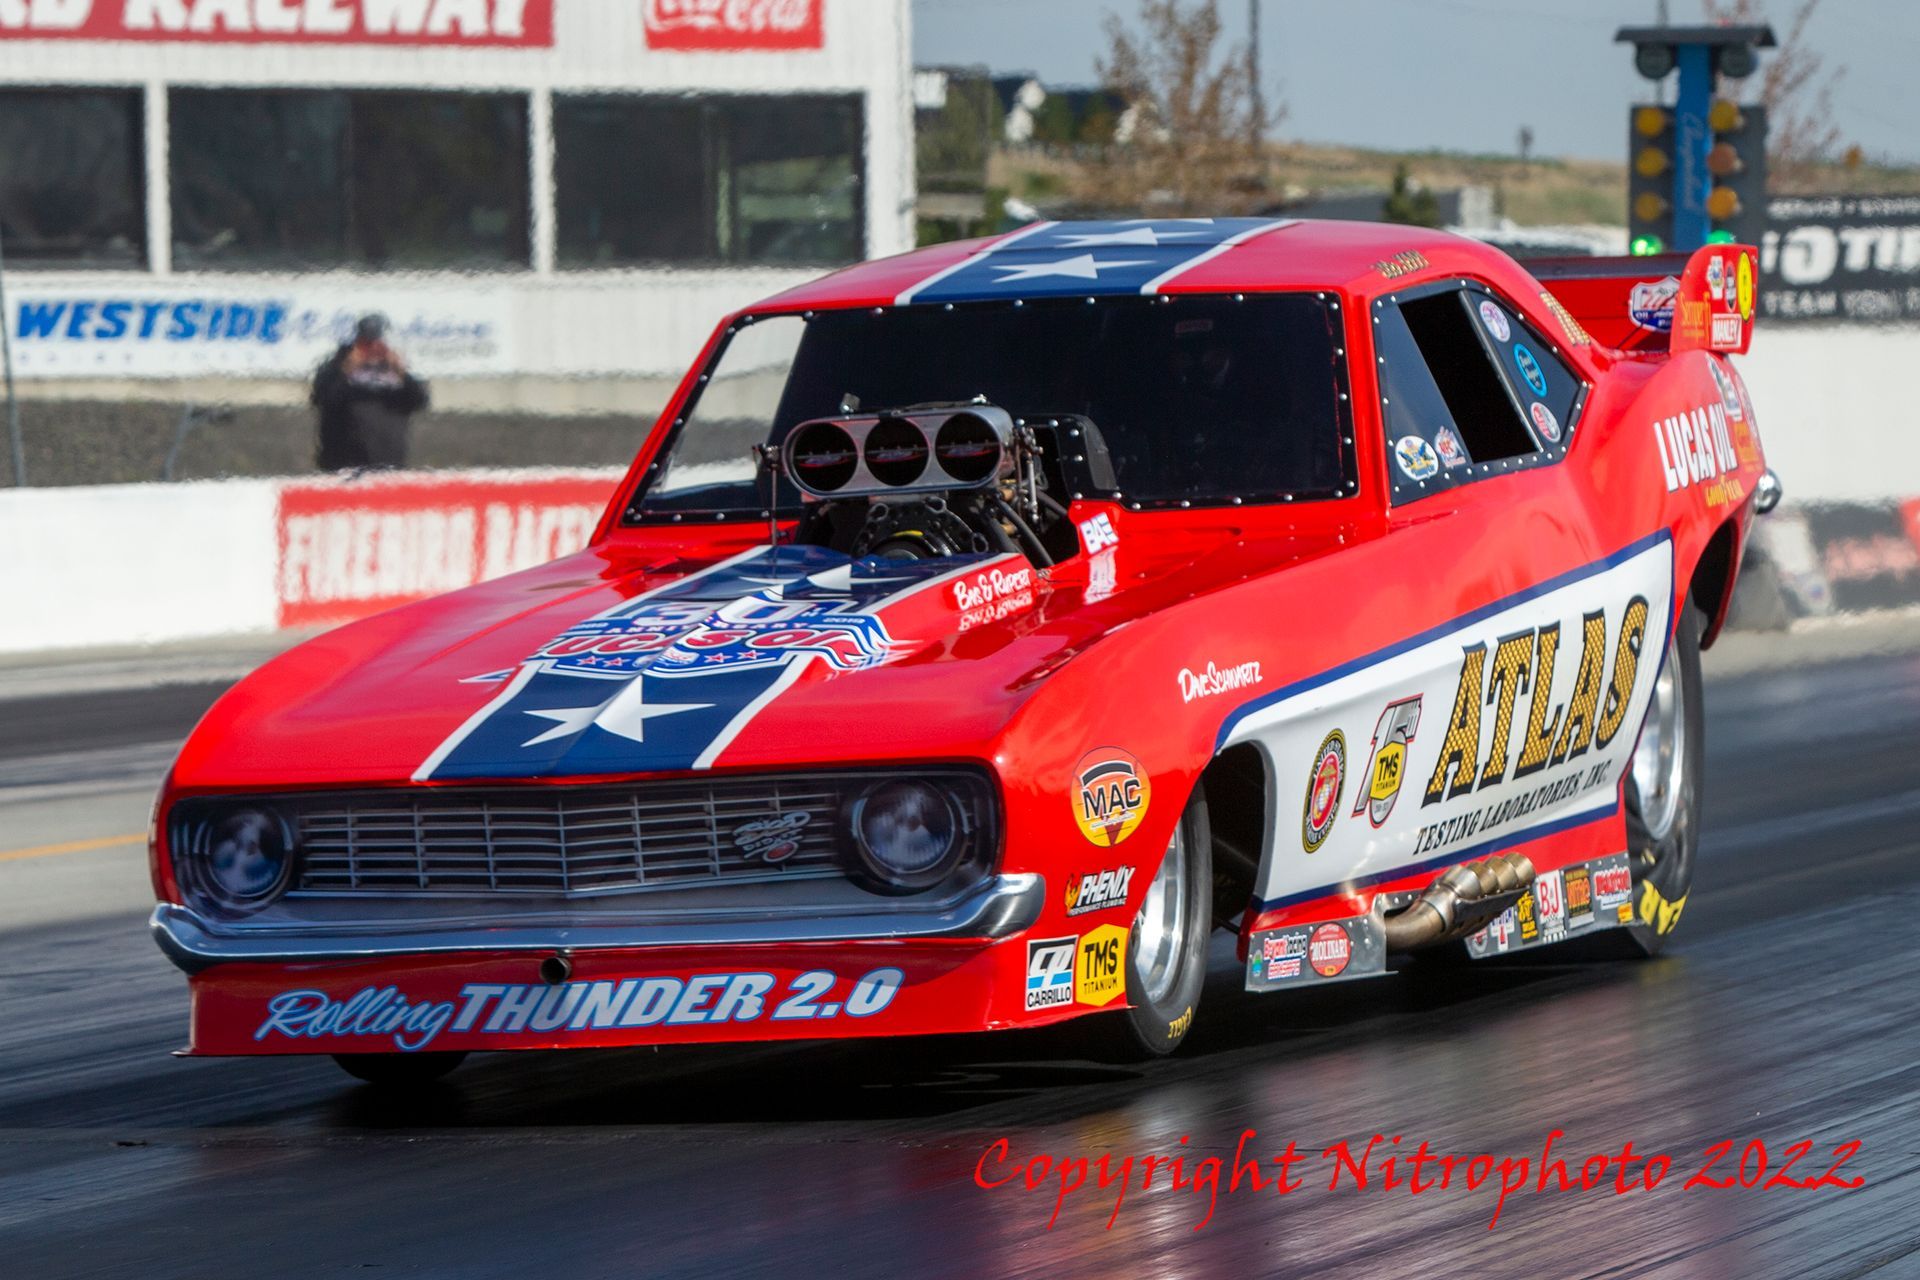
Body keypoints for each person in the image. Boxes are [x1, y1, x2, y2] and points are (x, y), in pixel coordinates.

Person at [311, 314, 429, 472]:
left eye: (377, 343)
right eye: (367, 344)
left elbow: (420, 401)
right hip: (344, 464)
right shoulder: (335, 367)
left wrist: (401, 372)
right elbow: (322, 399)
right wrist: (346, 368)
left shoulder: (395, 371)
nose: (373, 349)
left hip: (389, 463)